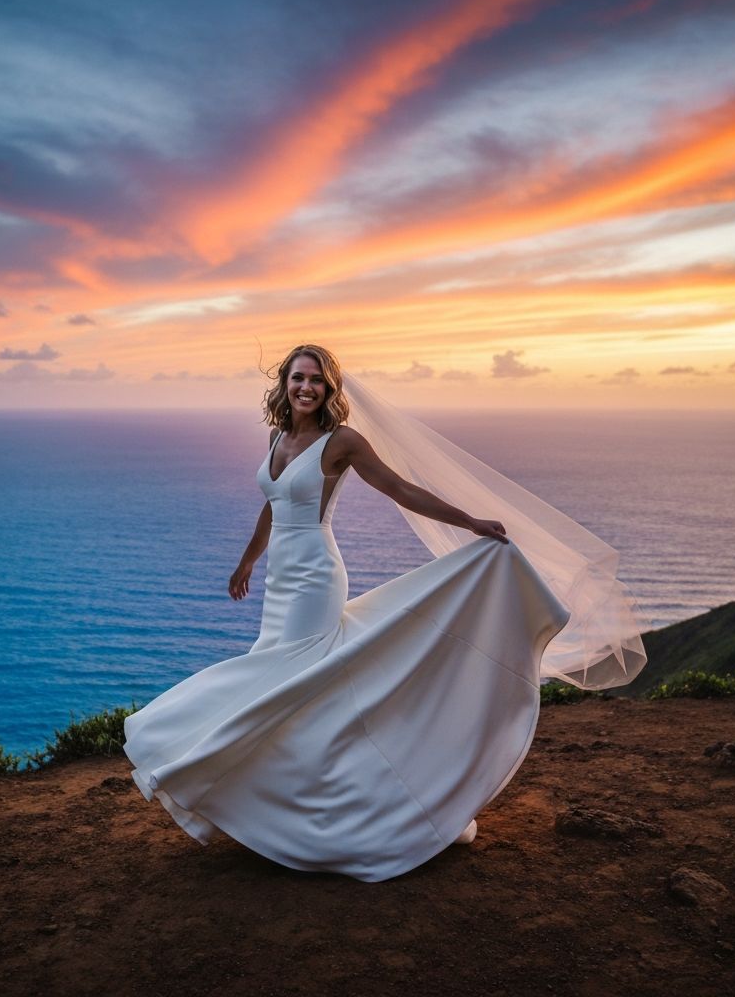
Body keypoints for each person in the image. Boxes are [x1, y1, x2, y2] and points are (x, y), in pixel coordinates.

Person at [123, 343, 645, 882]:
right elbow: (273, 503)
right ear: (284, 384)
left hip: (315, 576)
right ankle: (294, 799)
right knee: (288, 680)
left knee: (290, 678)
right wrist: (247, 562)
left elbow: (398, 487)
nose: (307, 388)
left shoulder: (341, 441)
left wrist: (469, 522)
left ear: (329, 389)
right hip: (281, 578)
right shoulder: (278, 437)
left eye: (317, 382)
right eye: (299, 379)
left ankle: (331, 804)